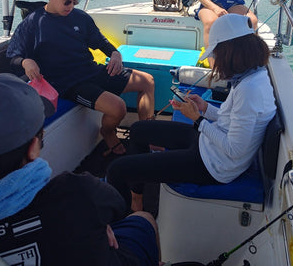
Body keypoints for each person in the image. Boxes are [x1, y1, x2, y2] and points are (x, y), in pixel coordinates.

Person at [0, 73, 160, 266]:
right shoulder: (78, 192)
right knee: (144, 219)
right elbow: (116, 206)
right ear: (32, 149)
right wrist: (94, 219)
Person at [106, 14, 276, 212]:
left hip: (214, 166)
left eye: (216, 54)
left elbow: (234, 149)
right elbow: (229, 118)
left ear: (231, 52)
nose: (216, 61)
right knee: (138, 129)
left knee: (116, 170)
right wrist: (204, 107)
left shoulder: (249, 90)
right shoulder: (251, 76)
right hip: (209, 146)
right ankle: (137, 200)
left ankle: (125, 225)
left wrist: (197, 119)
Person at [6, 0, 155, 155]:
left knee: (147, 81)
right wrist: (26, 62)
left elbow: (101, 42)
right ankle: (108, 133)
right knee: (118, 107)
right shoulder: (33, 23)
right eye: (67, 1)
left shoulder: (80, 17)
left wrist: (115, 54)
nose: (71, 6)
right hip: (68, 83)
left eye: (75, 1)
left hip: (90, 70)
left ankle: (149, 138)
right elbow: (13, 56)